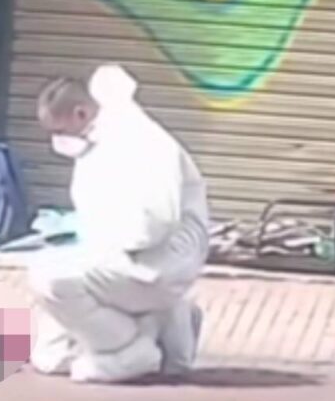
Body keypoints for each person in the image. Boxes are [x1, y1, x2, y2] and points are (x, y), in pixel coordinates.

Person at [27, 64, 210, 383]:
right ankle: (162, 324)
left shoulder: (141, 142)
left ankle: (129, 349)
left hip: (157, 264)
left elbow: (155, 222)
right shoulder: (99, 142)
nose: (58, 141)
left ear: (82, 113)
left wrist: (106, 243)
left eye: (60, 131)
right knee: (50, 355)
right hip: (131, 258)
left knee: (52, 281)